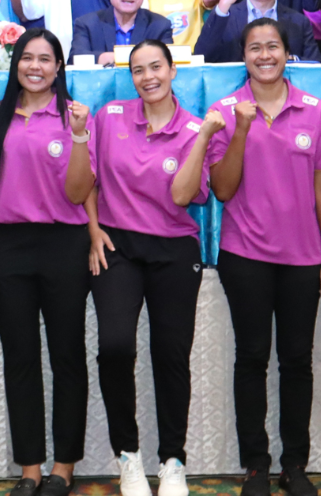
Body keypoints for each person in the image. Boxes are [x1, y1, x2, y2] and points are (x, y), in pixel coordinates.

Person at [206, 19, 321, 496]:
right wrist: (241, 129)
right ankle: (255, 466)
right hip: (245, 255)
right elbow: (222, 189)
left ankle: (295, 465)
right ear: (243, 56)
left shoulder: (314, 110)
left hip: (303, 258)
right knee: (252, 358)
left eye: (273, 46)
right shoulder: (224, 111)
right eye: (255, 48)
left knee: (297, 361)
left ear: (287, 52)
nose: (265, 55)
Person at [88, 39, 224, 496]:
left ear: (172, 70)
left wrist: (201, 137)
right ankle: (127, 457)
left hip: (174, 249)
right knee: (114, 347)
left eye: (156, 67)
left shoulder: (195, 127)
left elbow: (184, 196)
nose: (148, 77)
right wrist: (93, 230)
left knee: (171, 354)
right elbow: (87, 181)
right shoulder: (109, 117)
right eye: (138, 70)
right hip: (117, 246)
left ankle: (172, 461)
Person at [0, 29, 92, 496]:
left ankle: (64, 467)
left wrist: (79, 136)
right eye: (27, 58)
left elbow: (80, 193)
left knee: (67, 356)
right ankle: (30, 468)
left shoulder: (75, 116)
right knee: (20, 358)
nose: (36, 67)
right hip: (10, 247)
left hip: (64, 244)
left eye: (45, 59)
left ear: (59, 67)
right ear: (15, 63)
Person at [71, 0, 173, 64]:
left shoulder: (159, 25)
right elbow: (75, 59)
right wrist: (104, 58)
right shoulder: (87, 24)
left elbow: (167, 62)